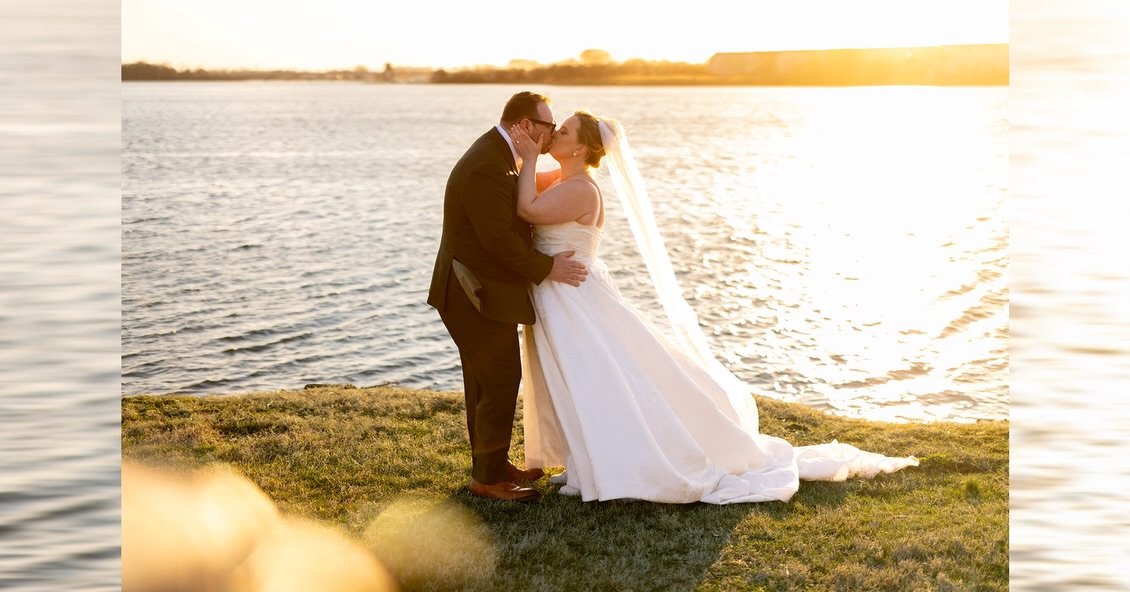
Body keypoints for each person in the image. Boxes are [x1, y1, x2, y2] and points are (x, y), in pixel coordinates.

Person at [509, 111, 918, 504]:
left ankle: (620, 461)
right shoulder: (566, 178)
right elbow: (517, 184)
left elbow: (527, 207)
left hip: (575, 296)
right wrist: (517, 157)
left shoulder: (581, 188)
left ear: (581, 149)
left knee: (594, 375)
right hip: (561, 293)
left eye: (562, 132)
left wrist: (528, 157)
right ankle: (588, 460)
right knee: (581, 376)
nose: (554, 135)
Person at [427, 92, 588, 503]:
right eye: (547, 127)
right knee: (498, 381)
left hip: (479, 289)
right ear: (524, 125)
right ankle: (488, 480)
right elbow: (497, 240)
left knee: (488, 381)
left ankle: (493, 465)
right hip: (471, 292)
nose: (550, 135)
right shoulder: (487, 164)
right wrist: (547, 268)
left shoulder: (500, 154)